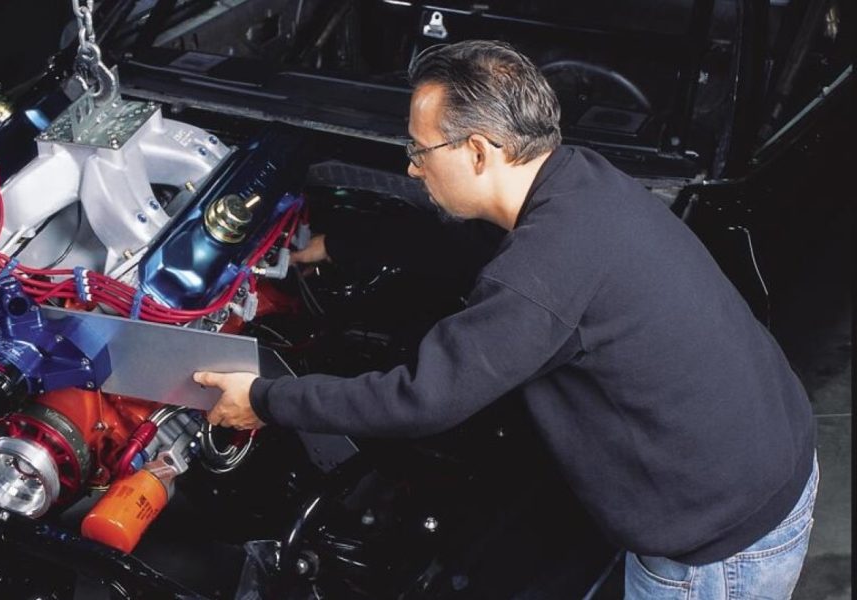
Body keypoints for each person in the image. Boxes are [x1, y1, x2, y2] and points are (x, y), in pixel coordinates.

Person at [194, 40, 817, 598]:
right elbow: (470, 245)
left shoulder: (543, 272)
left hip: (716, 550)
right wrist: (342, 245)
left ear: (477, 150)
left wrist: (268, 399)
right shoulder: (576, 178)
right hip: (767, 457)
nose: (412, 166)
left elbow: (421, 401)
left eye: (419, 149)